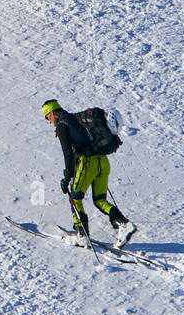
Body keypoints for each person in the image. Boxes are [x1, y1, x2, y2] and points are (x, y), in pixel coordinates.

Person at [42, 99, 136, 246]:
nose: (48, 121)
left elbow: (67, 153)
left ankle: (82, 235)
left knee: (75, 197)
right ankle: (124, 224)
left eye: (47, 117)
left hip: (87, 163)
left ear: (53, 112)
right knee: (100, 200)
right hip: (102, 161)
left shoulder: (62, 126)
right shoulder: (75, 119)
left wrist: (67, 177)